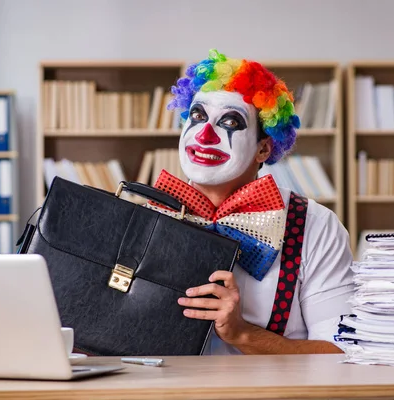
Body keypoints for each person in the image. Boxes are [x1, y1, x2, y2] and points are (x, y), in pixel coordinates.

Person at [147, 50, 354, 355]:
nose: (204, 135)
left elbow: (340, 355)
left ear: (263, 148)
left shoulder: (315, 225)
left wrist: (243, 334)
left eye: (229, 121)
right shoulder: (145, 212)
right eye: (197, 116)